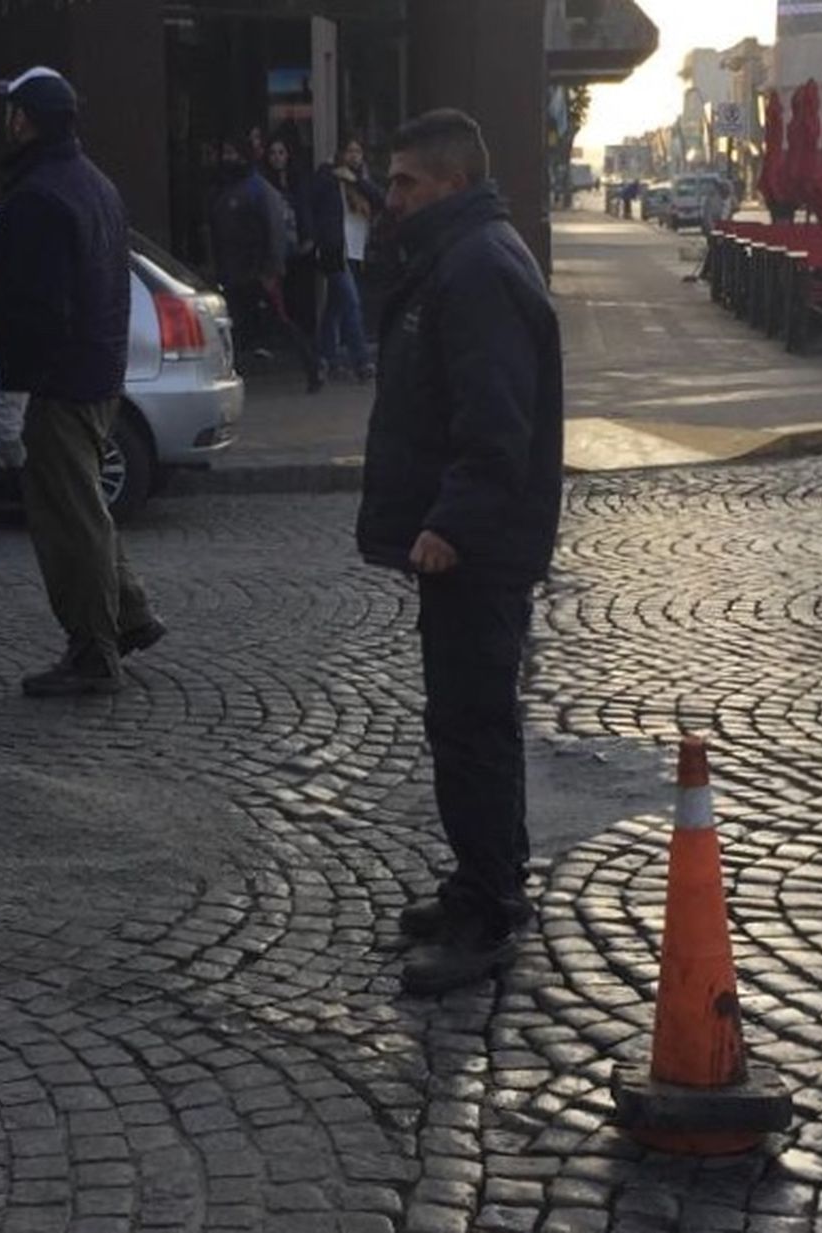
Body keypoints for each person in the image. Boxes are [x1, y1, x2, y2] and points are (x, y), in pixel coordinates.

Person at [356, 109, 564, 995]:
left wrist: (450, 525)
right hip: (470, 540)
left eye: (402, 181)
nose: (388, 197)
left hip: (475, 548)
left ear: (445, 181)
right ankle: (486, 882)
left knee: (471, 725)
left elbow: (494, 426)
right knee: (471, 721)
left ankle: (486, 910)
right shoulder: (458, 254)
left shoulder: (476, 267)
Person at [0, 65, 165, 697]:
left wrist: (14, 393)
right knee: (87, 507)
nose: (4, 121)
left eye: (10, 110)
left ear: (24, 120)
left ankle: (93, 652)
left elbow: (33, 311)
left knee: (68, 522)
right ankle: (129, 614)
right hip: (97, 375)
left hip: (56, 384)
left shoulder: (36, 199)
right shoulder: (96, 186)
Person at [212, 136, 321, 392]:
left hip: (257, 271)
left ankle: (313, 368)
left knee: (281, 320)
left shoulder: (257, 189)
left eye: (231, 152)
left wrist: (272, 269)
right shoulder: (229, 188)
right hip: (235, 270)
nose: (227, 158)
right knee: (234, 324)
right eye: (225, 152)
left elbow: (274, 231)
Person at [312, 137, 384, 383]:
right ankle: (361, 361)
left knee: (335, 306)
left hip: (355, 250)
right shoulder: (327, 175)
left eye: (358, 151)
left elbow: (379, 199)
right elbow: (314, 202)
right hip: (336, 250)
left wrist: (357, 181)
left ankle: (324, 357)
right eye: (350, 151)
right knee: (351, 302)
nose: (354, 156)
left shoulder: (361, 178)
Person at [261, 135, 317, 348]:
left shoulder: (298, 180)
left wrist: (309, 236)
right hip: (276, 247)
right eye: (273, 153)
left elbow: (305, 209)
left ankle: (302, 338)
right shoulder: (264, 182)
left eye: (281, 153)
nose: (277, 158)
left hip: (299, 246)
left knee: (298, 294)